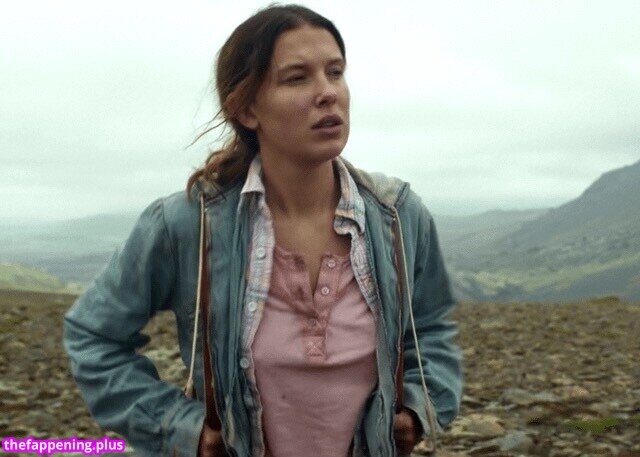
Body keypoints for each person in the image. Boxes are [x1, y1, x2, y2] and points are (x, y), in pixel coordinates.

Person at [63, 4, 463, 457]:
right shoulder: (191, 224)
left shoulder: (396, 215)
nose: (328, 93)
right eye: (297, 78)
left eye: (335, 72)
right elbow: (92, 336)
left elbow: (432, 327)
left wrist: (419, 406)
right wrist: (180, 427)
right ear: (246, 109)